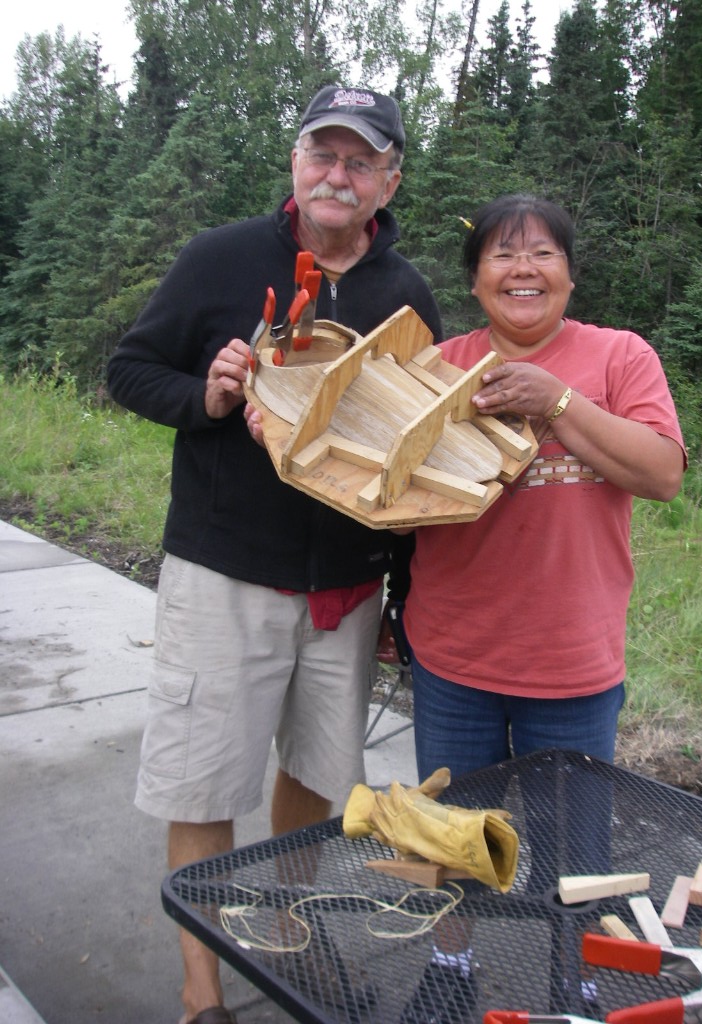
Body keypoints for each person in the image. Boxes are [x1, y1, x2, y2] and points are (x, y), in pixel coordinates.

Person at [107, 84, 442, 1024]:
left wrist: (402, 596)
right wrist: (207, 398)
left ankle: (279, 936)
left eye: (360, 159)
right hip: (225, 572)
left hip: (343, 586)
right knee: (206, 773)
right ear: (296, 161)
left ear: (388, 179)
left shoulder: (402, 296)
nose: (338, 173)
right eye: (322, 153)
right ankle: (201, 987)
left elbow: (420, 453)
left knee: (313, 774)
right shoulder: (223, 258)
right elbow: (131, 369)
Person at [396, 194, 686, 1024]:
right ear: (477, 278)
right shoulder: (441, 366)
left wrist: (554, 400)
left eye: (542, 254)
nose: (523, 268)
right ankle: (452, 966)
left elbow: (662, 473)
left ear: (569, 272)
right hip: (456, 653)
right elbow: (385, 492)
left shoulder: (620, 356)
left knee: (576, 847)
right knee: (453, 832)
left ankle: (577, 978)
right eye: (501, 254)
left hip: (574, 659)